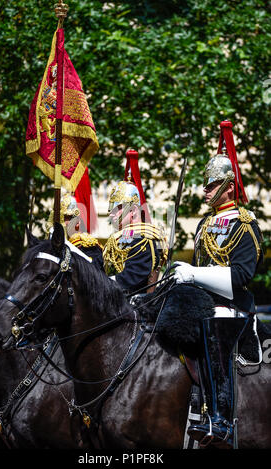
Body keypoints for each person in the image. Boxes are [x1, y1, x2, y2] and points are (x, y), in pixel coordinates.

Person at [172, 120, 263, 448]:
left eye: (211, 185)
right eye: (204, 185)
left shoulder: (245, 224)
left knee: (212, 330)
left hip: (232, 311)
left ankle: (220, 418)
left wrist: (193, 274)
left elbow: (240, 277)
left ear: (228, 185)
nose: (204, 190)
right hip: (201, 305)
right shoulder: (204, 225)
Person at [103, 149, 168, 295]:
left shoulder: (144, 238)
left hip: (136, 308)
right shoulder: (120, 238)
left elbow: (132, 278)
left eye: (117, 209)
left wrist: (101, 283)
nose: (111, 214)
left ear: (132, 210)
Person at [46, 191, 104, 271]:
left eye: (66, 218)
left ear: (77, 222)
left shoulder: (87, 246)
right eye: (59, 218)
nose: (61, 222)